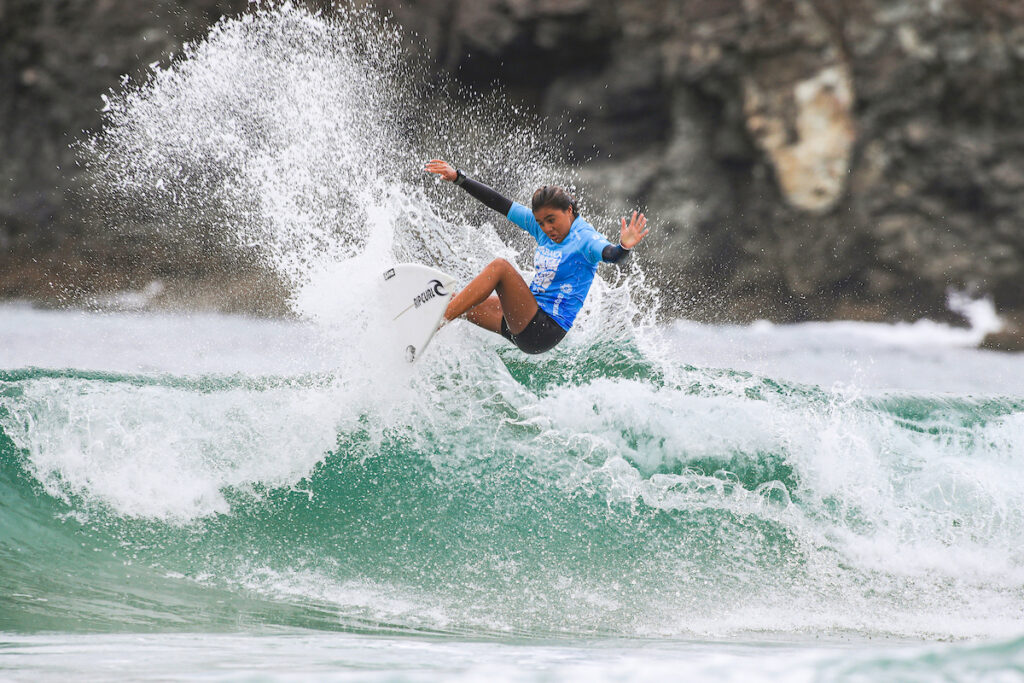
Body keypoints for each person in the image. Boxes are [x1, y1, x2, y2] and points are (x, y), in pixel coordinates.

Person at [425, 159, 650, 354]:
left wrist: (624, 247)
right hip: (522, 319)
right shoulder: (541, 228)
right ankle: (420, 326)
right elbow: (500, 203)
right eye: (541, 222)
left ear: (569, 211)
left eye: (551, 220)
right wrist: (458, 178)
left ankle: (435, 323)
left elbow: (612, 255)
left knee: (500, 268)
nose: (546, 228)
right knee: (455, 300)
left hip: (544, 328)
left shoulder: (585, 239)